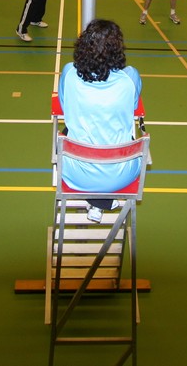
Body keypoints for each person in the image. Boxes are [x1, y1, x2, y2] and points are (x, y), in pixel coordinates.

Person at [58, 19, 143, 222]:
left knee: (66, 132)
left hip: (76, 173)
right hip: (121, 174)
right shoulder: (130, 76)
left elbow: (64, 105)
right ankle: (101, 200)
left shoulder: (69, 72)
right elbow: (133, 106)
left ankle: (98, 200)